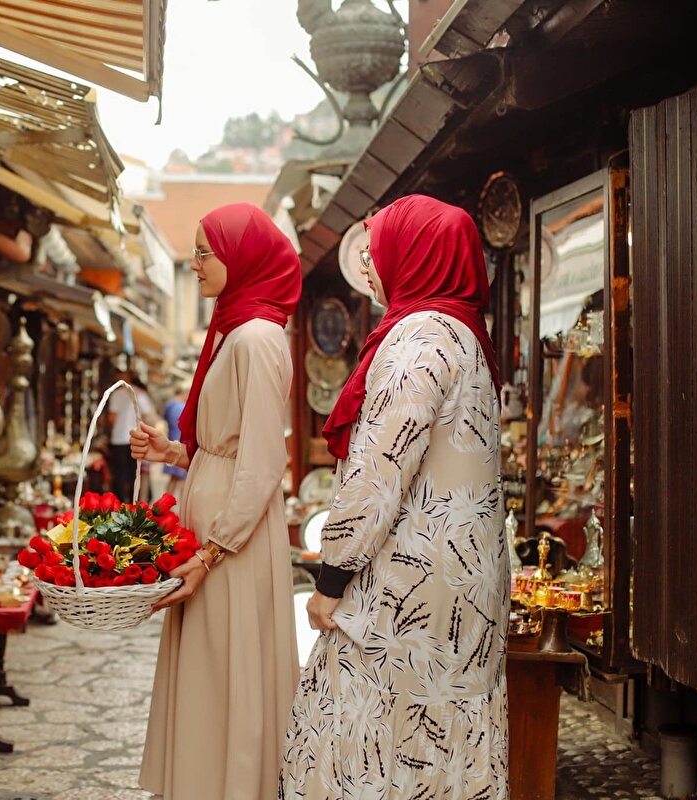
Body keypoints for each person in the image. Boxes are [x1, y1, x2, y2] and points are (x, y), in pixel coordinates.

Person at [279, 196, 509, 798]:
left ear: (417, 254)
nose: (368, 261)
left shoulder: (419, 337)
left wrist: (331, 579)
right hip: (459, 587)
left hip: (408, 592)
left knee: (378, 754)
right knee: (439, 756)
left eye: (377, 248)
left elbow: (377, 473)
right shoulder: (464, 336)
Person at [129, 203, 301, 800]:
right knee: (209, 674)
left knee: (226, 673)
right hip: (214, 530)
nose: (194, 263)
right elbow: (224, 447)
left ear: (241, 258)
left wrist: (211, 553)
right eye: (196, 251)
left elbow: (260, 463)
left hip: (230, 543)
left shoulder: (255, 338)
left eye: (205, 252)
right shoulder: (233, 328)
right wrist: (172, 453)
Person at [107, 369, 155, 502]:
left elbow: (112, 418)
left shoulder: (116, 394)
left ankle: (121, 502)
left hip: (119, 438)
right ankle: (136, 503)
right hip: (136, 438)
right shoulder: (140, 393)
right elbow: (148, 416)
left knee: (120, 474)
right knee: (135, 472)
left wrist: (109, 429)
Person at [161, 382, 188, 499]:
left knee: (173, 479)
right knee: (183, 481)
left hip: (171, 440)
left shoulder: (169, 405)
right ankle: (183, 509)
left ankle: (163, 506)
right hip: (181, 443)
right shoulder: (181, 407)